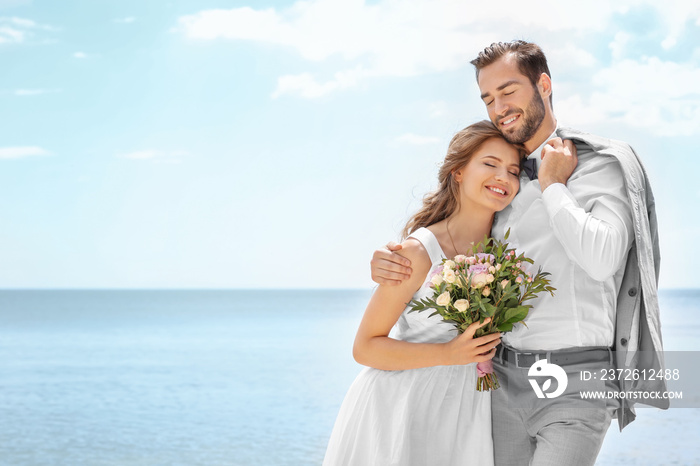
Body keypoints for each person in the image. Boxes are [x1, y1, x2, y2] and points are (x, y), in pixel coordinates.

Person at [370, 40, 667, 466]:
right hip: (499, 384)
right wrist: (391, 258)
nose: (498, 107)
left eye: (508, 91)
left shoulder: (602, 165)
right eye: (488, 98)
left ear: (543, 85)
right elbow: (453, 245)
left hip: (578, 382)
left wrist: (554, 185)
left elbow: (602, 260)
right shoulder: (500, 183)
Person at [322, 120, 546, 466]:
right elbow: (365, 347)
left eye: (513, 171)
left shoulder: (508, 251)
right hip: (402, 408)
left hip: (468, 410)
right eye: (490, 164)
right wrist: (449, 353)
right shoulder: (417, 252)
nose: (504, 177)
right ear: (457, 172)